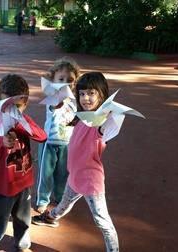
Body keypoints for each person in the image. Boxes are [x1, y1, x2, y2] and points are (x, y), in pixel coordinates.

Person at [32, 72, 119, 252]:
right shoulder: (81, 117)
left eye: (92, 93)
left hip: (90, 182)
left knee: (102, 221)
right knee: (62, 206)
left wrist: (110, 113)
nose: (85, 98)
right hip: (74, 177)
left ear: (102, 94)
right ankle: (50, 217)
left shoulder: (100, 125)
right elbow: (60, 114)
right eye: (82, 93)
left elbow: (109, 126)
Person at [0, 74, 47, 252]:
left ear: (25, 103)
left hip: (24, 183)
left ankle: (22, 245)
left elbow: (42, 136)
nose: (11, 111)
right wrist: (5, 140)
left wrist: (20, 123)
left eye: (16, 107)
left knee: (23, 221)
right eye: (6, 106)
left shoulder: (25, 121)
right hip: (3, 187)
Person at [35, 57, 80, 214]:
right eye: (61, 79)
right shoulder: (52, 98)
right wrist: (59, 101)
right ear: (52, 80)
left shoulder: (75, 101)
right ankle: (42, 200)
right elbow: (55, 106)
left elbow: (78, 119)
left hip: (67, 143)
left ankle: (59, 198)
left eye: (70, 80)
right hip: (49, 142)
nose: (65, 83)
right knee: (45, 174)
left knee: (63, 174)